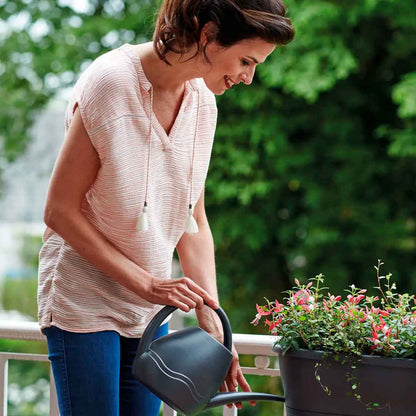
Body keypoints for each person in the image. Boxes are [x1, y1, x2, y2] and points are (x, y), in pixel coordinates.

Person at [37, 0, 295, 415]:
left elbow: (193, 219)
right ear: (208, 34)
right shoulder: (112, 82)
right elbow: (59, 211)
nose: (248, 78)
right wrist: (148, 284)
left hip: (148, 307)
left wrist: (213, 321)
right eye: (246, 61)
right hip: (84, 295)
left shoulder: (203, 106)